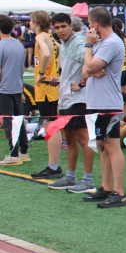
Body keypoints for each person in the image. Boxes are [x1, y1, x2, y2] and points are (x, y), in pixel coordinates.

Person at [80, 7, 126, 208]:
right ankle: (106, 187)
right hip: (97, 101)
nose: (88, 28)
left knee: (112, 146)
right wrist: (90, 66)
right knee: (102, 146)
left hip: (107, 102)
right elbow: (85, 70)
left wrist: (89, 50)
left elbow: (90, 67)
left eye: (89, 24)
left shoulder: (111, 43)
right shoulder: (101, 43)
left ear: (95, 24)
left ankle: (119, 192)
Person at [47, 14, 97, 193]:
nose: (60, 30)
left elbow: (90, 65)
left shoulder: (78, 42)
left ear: (70, 25)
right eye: (57, 27)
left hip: (79, 99)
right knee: (69, 139)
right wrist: (60, 80)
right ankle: (70, 176)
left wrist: (82, 83)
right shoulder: (65, 44)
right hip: (66, 99)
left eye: (63, 26)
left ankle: (88, 180)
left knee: (84, 139)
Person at [28, 11, 62, 178]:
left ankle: (53, 166)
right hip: (52, 86)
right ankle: (53, 165)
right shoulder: (50, 36)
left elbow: (47, 54)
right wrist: (57, 69)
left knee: (50, 125)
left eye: (31, 21)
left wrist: (41, 73)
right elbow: (60, 50)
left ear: (36, 22)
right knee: (52, 123)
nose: (29, 24)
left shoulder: (41, 36)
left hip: (45, 87)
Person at [0, 15, 31, 165]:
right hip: (17, 87)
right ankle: (24, 151)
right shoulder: (18, 44)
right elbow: (22, 69)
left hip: (4, 88)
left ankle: (14, 154)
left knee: (8, 121)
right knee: (19, 119)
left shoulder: (1, 45)